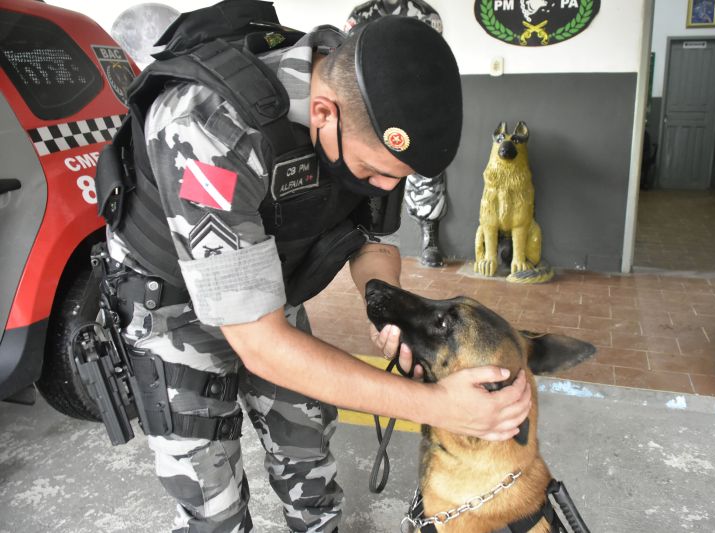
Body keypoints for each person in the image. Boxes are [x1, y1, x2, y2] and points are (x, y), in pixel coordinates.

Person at [97, 2, 530, 532]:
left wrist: (384, 304)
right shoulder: (208, 125)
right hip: (171, 302)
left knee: (306, 453)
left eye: (396, 178)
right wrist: (437, 405)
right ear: (323, 113)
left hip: (266, 281)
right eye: (374, 170)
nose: (383, 187)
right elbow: (261, 342)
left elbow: (368, 243)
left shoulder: (363, 112)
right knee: (211, 497)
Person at [344, 0, 450, 267]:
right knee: (370, 168)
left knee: (426, 169)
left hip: (416, 105)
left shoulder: (426, 14)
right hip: (370, 105)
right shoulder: (360, 15)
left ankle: (430, 236)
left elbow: (434, 62)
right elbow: (349, 61)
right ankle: (367, 236)